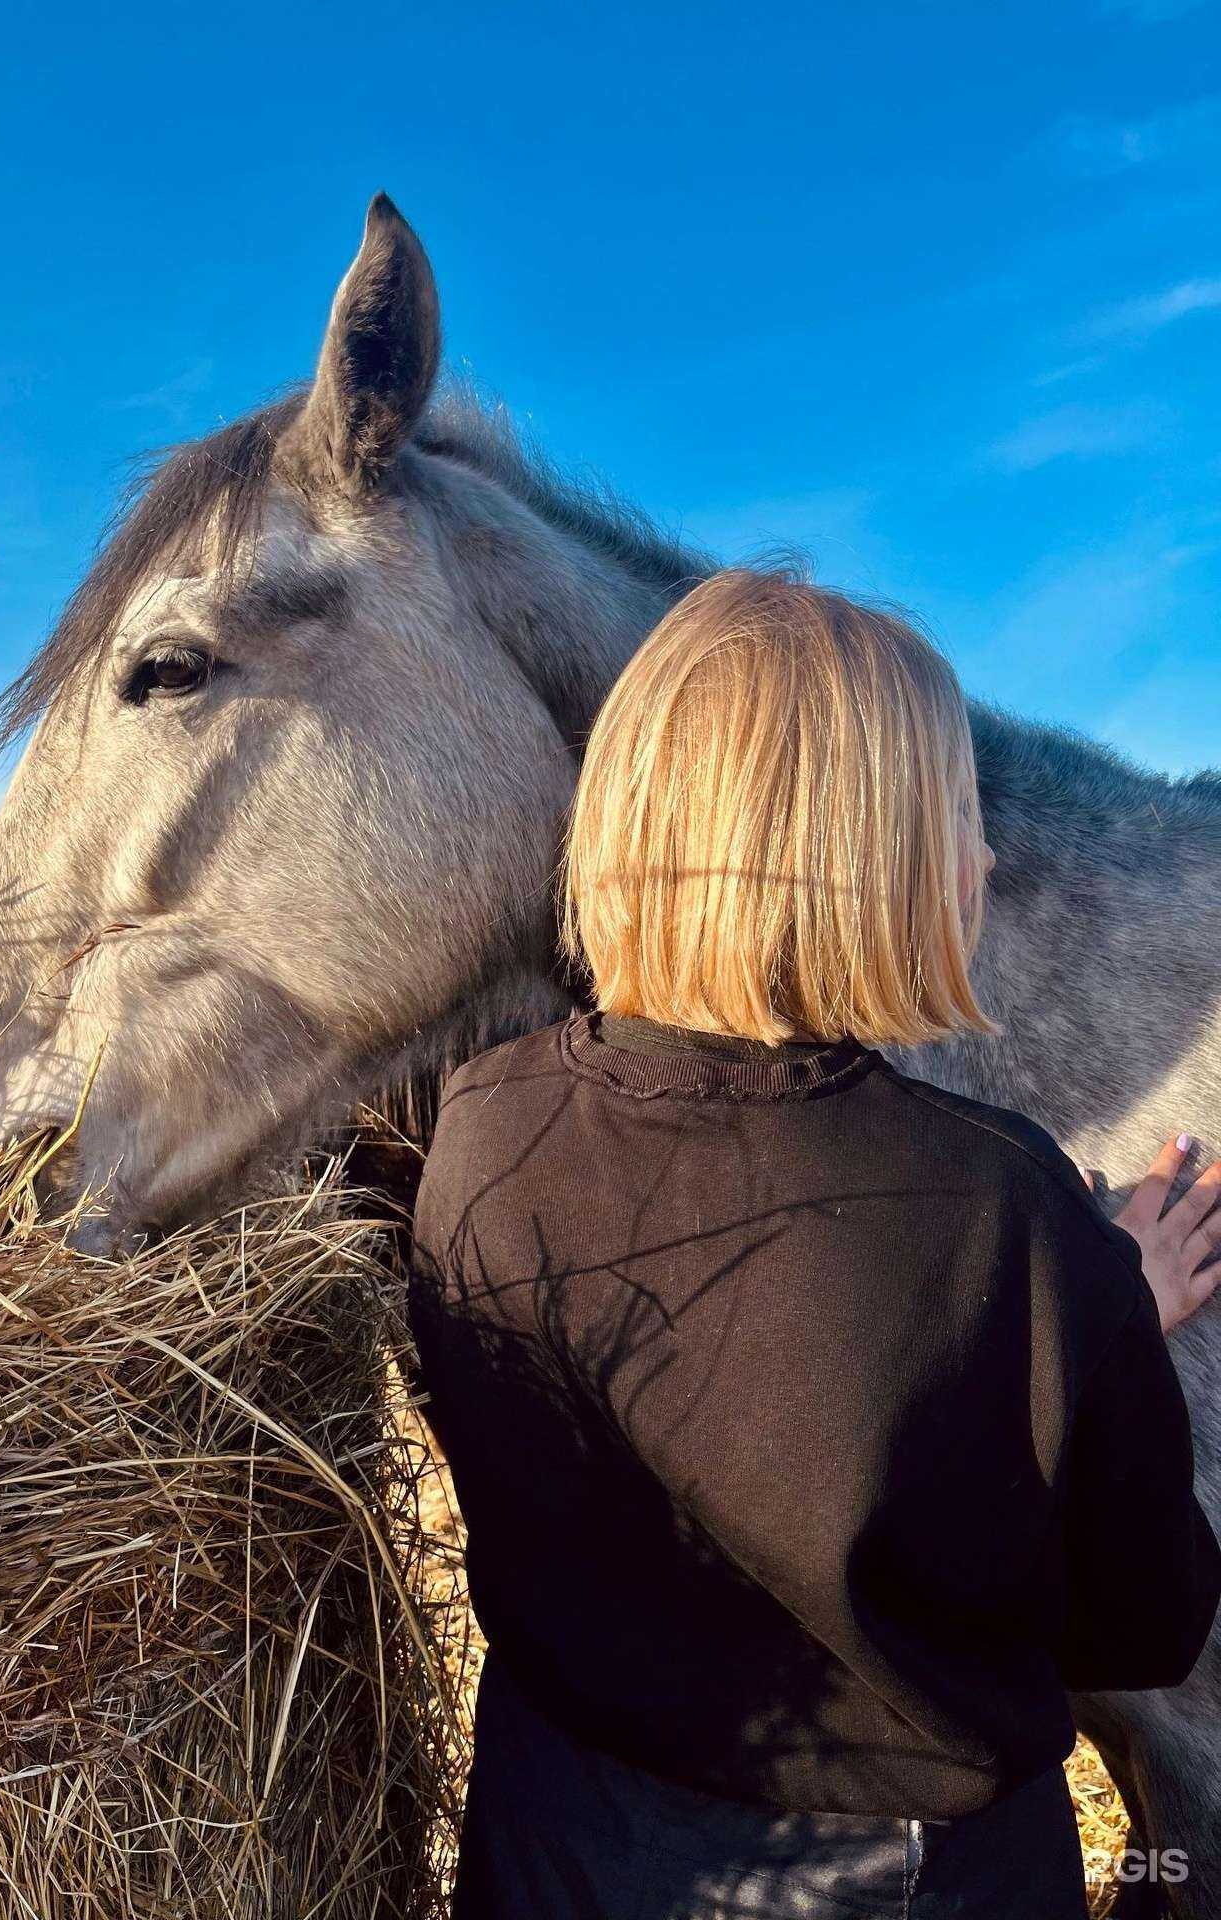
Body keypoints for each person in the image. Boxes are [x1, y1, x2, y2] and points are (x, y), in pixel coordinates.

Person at [406, 569, 1221, 1919]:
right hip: (897, 1879)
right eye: (959, 817)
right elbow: (1140, 1621)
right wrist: (1104, 1313)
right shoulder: (1007, 1209)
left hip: (553, 1833)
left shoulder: (484, 1121)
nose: (987, 861)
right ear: (864, 861)